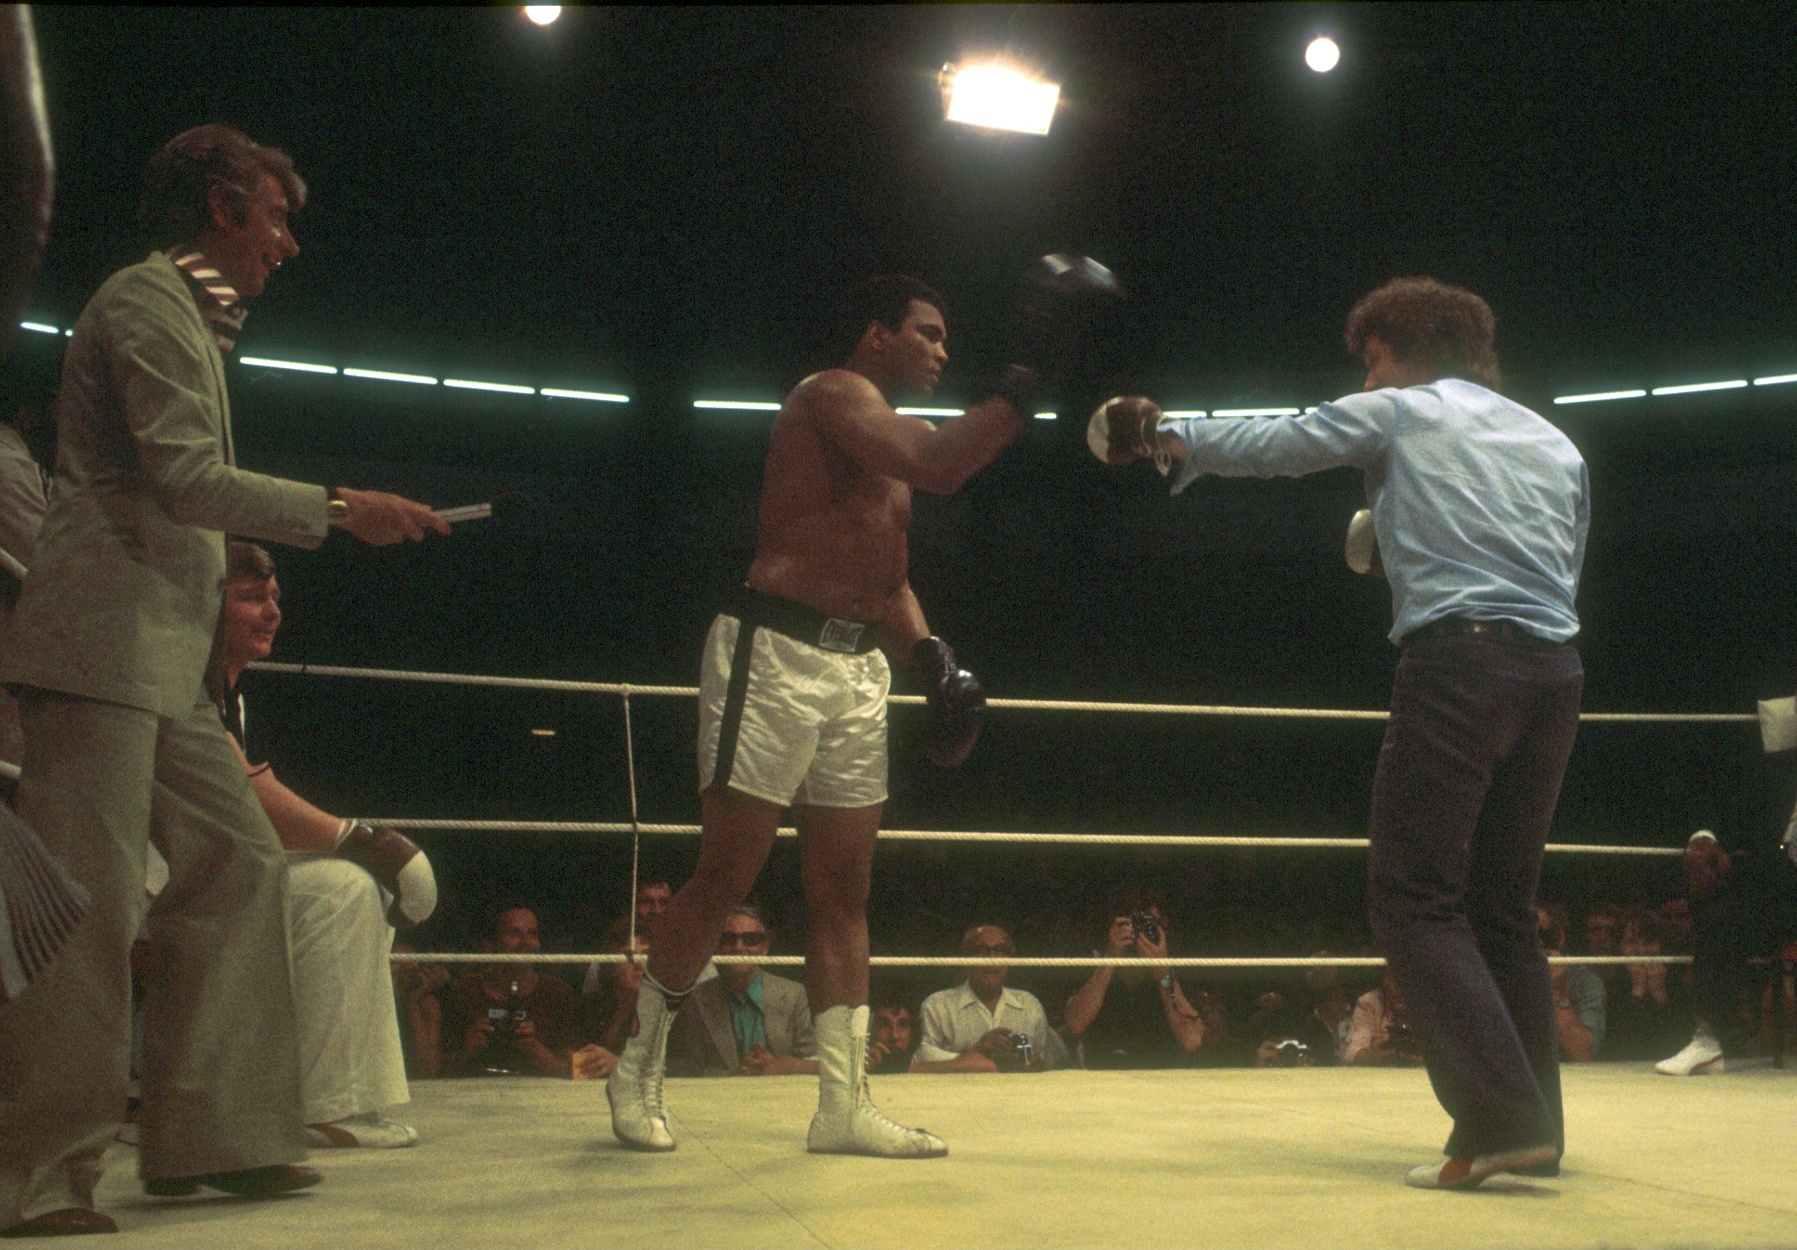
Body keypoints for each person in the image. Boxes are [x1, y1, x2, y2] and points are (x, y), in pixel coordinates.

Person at [0, 123, 448, 1234]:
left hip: (159, 662)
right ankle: (41, 1172)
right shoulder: (148, 302)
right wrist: (341, 510)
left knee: (241, 862)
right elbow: (187, 476)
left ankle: (216, 1136)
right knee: (92, 909)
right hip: (101, 650)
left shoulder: (186, 316)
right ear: (220, 209)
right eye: (276, 215)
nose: (286, 243)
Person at [606, 260, 1119, 1158]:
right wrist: (1024, 378)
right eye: (926, 331)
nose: (940, 349)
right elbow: (943, 466)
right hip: (773, 650)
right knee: (728, 872)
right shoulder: (830, 394)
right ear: (875, 335)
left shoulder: (893, 436)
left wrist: (930, 658)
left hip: (853, 669)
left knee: (844, 890)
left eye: (946, 337)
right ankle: (635, 1064)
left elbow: (883, 575)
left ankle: (842, 1106)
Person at [1091, 276, 1587, 1188]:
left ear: (1410, 352)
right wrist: (1398, 544)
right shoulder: (1555, 442)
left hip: (1458, 667)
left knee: (1413, 896)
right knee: (1502, 906)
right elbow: (1546, 565)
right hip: (1555, 676)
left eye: (1371, 359)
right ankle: (1537, 1124)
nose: (1363, 381)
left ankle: (1498, 1117)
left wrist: (1169, 437)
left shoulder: (1404, 411)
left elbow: (1285, 440)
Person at [204, 540, 436, 1146]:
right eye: (251, 597)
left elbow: (255, 787)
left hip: (200, 858)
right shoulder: (187, 677)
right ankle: (323, 1104)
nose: (273, 612)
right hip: (163, 868)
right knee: (340, 891)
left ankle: (336, 1093)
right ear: (207, 604)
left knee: (356, 887)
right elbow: (249, 796)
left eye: (275, 598)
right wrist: (365, 843)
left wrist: (364, 846)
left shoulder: (231, 693)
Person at [1654, 816, 1797, 1074]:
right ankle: (1707, 1042)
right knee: (1722, 917)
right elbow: (1718, 804)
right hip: (1785, 893)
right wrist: (1703, 836)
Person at [435, 905, 585, 1078]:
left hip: (539, 1097)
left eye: (532, 934)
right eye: (514, 933)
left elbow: (576, 1072)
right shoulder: (464, 990)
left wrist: (536, 1050)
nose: (526, 942)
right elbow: (434, 1072)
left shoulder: (557, 992)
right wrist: (467, 1050)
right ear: (490, 946)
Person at [1063, 895, 1212, 1068]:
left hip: (1160, 1080)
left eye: (1149, 925)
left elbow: (1192, 1041)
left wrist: (1162, 972)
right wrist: (1110, 958)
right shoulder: (1097, 967)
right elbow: (1073, 1025)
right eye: (1135, 925)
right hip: (1102, 1081)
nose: (1141, 932)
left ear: (1163, 928)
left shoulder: (1173, 972)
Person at [668, 904, 816, 1077]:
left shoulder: (793, 994)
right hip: (718, 1101)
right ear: (716, 945)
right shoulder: (695, 999)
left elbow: (811, 1060)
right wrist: (734, 1077)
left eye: (751, 939)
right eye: (728, 939)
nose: (739, 947)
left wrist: (778, 1067)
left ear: (765, 946)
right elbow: (684, 1072)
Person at [911, 924, 1064, 1072]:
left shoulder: (1029, 1005)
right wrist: (976, 1051)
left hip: (1016, 1094)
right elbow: (921, 1059)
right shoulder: (938, 1005)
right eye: (981, 950)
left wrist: (1027, 1061)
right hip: (956, 1094)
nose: (992, 958)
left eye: (1000, 950)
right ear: (965, 959)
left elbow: (1047, 1062)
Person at [573, 915, 651, 1082]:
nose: (639, 965)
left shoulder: (667, 1007)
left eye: (646, 955)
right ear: (609, 963)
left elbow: (687, 1065)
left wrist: (619, 1064)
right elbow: (573, 1059)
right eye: (629, 957)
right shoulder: (591, 1006)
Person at [1537, 904, 1602, 1062]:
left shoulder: (1585, 981)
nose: (1533, 941)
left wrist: (1557, 990)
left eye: (1541, 933)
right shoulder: (1501, 973)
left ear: (1559, 937)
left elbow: (1582, 1053)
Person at [1343, 969, 1428, 1067]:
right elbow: (1352, 1053)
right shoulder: (1370, 1002)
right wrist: (1375, 1056)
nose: (1399, 987)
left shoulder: (1433, 1004)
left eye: (1405, 978)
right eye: (1393, 978)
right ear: (1384, 980)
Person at [865, 988, 917, 1076]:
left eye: (902, 1025)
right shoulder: (858, 1064)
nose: (894, 1036)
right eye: (885, 1025)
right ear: (871, 1029)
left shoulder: (923, 1058)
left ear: (911, 1032)